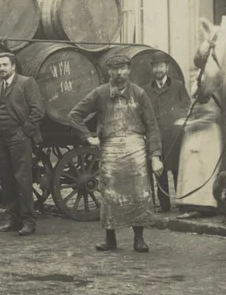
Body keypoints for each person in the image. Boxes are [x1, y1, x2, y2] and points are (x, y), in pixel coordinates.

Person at [69, 55, 164, 252]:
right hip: (110, 150)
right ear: (109, 72)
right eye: (114, 69)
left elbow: (152, 126)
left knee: (139, 195)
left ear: (129, 70)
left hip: (135, 150)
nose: (118, 73)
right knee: (110, 195)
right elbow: (75, 115)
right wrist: (89, 137)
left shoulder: (139, 93)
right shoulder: (100, 93)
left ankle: (139, 239)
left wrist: (155, 157)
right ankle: (110, 239)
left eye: (122, 69)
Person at [0, 51, 45, 236]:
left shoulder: (26, 82)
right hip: (2, 137)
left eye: (5, 65)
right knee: (6, 179)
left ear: (13, 66)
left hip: (19, 136)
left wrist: (25, 131)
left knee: (22, 179)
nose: (1, 69)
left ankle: (28, 221)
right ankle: (13, 219)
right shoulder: (1, 86)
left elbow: (38, 111)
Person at [144, 53, 191, 212]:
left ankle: (183, 205)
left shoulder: (177, 86)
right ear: (152, 69)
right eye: (155, 66)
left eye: (161, 66)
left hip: (176, 138)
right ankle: (165, 207)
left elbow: (187, 107)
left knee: (179, 172)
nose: (158, 69)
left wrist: (180, 121)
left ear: (167, 68)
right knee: (159, 173)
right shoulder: (146, 90)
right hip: (157, 140)